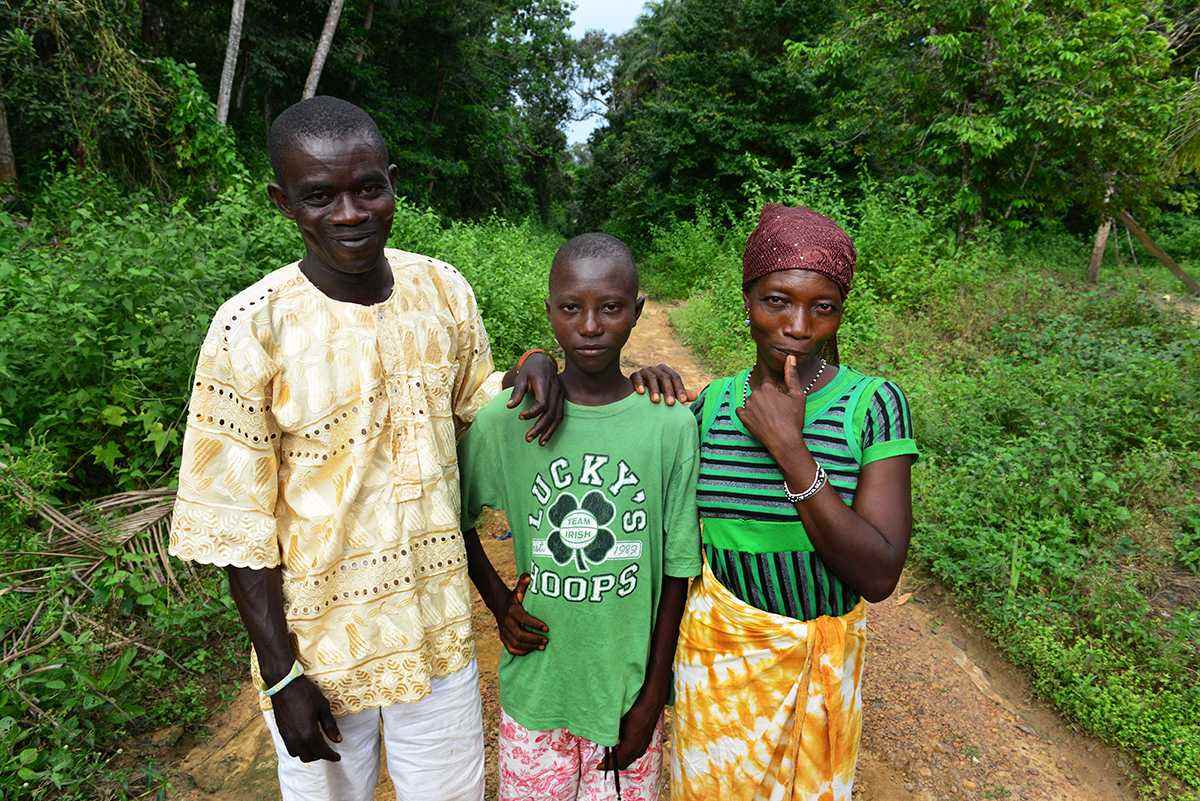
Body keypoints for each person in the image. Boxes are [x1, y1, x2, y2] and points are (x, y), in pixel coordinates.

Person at [167, 97, 684, 801]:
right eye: (320, 196)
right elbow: (237, 528)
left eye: (367, 187)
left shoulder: (442, 291)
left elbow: (490, 407)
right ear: (282, 201)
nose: (349, 212)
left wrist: (537, 358)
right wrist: (282, 673)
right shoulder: (248, 329)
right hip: (322, 651)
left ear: (392, 182)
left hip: (439, 639)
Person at [669, 205, 918, 801]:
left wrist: (791, 449)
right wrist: (535, 363)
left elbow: (879, 574)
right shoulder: (709, 409)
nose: (798, 325)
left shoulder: (874, 406)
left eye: (822, 306)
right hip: (716, 674)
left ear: (841, 312)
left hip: (819, 669)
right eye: (777, 300)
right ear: (747, 300)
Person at [457, 233, 702, 801]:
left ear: (637, 312)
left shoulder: (668, 426)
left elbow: (675, 569)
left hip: (624, 697)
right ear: (549, 312)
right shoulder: (510, 420)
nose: (590, 326)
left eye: (610, 308)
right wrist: (500, 604)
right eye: (571, 308)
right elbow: (455, 518)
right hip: (538, 691)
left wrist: (651, 698)